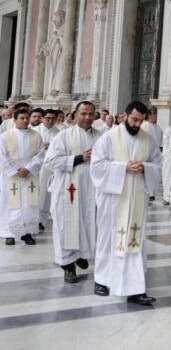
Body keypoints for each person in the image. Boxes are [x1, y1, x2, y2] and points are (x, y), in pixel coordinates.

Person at [90, 101, 162, 305]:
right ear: (124, 116)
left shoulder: (148, 139)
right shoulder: (108, 137)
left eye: (141, 120)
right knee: (109, 237)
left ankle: (135, 288)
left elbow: (157, 162)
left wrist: (145, 167)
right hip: (113, 198)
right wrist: (123, 168)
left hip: (136, 198)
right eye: (134, 119)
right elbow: (97, 165)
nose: (137, 124)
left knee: (134, 237)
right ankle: (102, 280)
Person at [44, 101, 100, 283]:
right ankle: (68, 266)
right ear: (75, 115)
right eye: (83, 113)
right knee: (66, 226)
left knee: (86, 223)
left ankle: (81, 254)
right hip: (68, 190)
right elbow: (51, 161)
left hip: (91, 191)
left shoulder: (101, 137)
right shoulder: (63, 136)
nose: (87, 117)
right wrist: (79, 158)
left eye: (91, 114)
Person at [0, 109, 44, 246]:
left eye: (27, 118)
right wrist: (15, 170)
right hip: (11, 176)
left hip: (29, 174)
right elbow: (2, 155)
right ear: (15, 120)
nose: (25, 120)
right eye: (22, 118)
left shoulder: (36, 136)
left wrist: (28, 168)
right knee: (9, 204)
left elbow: (41, 154)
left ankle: (27, 233)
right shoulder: (5, 136)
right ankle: (9, 233)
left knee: (28, 204)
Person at [33, 108, 61, 232]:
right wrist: (41, 147)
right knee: (32, 194)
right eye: (47, 118)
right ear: (42, 118)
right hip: (33, 167)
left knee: (45, 196)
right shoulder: (33, 131)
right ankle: (30, 220)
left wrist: (51, 148)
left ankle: (40, 221)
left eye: (53, 118)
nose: (50, 121)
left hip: (49, 168)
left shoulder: (60, 133)